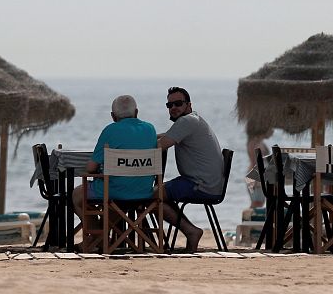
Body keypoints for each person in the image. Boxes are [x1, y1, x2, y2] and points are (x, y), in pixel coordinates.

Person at [71, 95, 157, 246]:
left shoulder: (110, 131)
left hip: (114, 191)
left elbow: (91, 168)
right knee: (117, 194)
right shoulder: (150, 129)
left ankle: (97, 236)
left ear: (113, 116)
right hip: (145, 191)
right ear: (136, 112)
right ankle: (101, 236)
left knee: (77, 194)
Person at [157, 86, 224, 252]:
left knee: (150, 197)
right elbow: (165, 136)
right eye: (169, 105)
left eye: (178, 103)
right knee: (157, 193)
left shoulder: (186, 122)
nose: (173, 108)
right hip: (207, 184)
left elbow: (159, 146)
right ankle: (187, 231)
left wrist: (128, 146)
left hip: (200, 185)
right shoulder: (192, 120)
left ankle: (191, 231)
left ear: (189, 105)